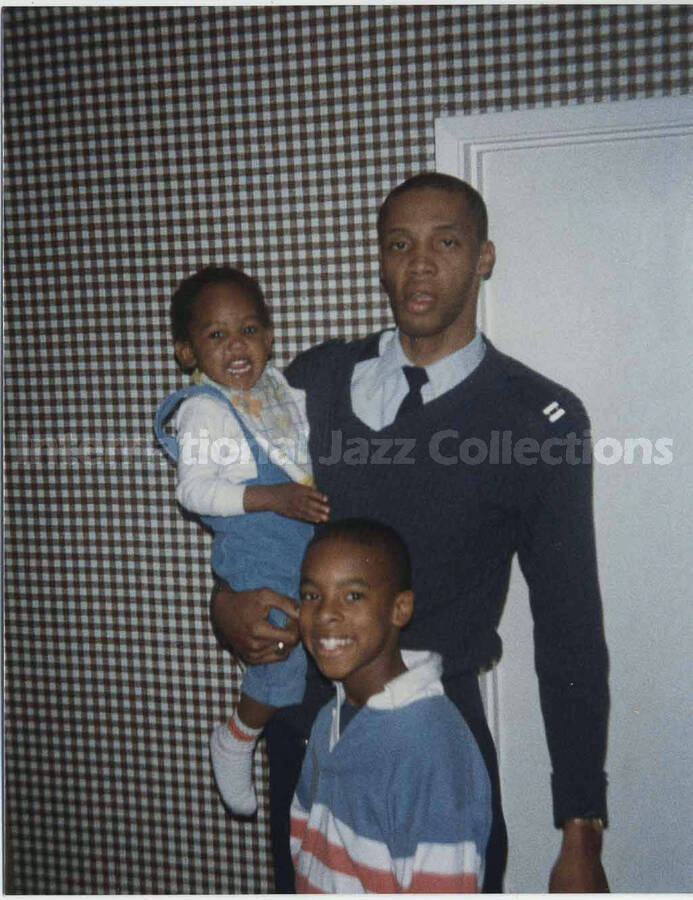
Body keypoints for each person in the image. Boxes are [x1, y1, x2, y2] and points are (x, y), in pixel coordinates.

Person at [210, 173, 610, 892]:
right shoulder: (314, 380)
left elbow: (569, 624)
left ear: (483, 257)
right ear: (379, 258)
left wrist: (580, 825)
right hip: (307, 732)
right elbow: (251, 517)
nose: (418, 264)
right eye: (399, 244)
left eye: (445, 242)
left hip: (434, 744)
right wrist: (224, 599)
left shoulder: (536, 420)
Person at [154, 265, 329, 816]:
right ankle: (237, 735)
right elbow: (194, 492)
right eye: (216, 334)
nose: (237, 346)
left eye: (249, 330)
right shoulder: (206, 409)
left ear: (270, 335)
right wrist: (272, 498)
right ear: (187, 352)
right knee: (278, 644)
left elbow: (300, 447)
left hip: (296, 539)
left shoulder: (279, 391)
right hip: (254, 545)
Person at [291, 518, 491, 893]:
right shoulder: (327, 720)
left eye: (352, 596)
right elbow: (304, 837)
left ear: (399, 609)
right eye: (310, 595)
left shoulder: (432, 747)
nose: (325, 614)